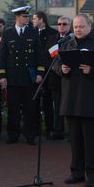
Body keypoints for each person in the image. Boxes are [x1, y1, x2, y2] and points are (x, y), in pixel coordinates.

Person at [53, 14, 94, 187]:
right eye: (76, 27)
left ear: (90, 26)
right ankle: (76, 172)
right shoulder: (66, 44)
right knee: (75, 139)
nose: (78, 30)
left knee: (92, 139)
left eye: (81, 26)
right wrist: (62, 68)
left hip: (91, 99)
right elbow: (56, 64)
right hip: (71, 98)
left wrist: (92, 69)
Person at [0, 6, 44, 145]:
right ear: (17, 18)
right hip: (13, 77)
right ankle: (13, 135)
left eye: (28, 16)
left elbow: (39, 54)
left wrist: (40, 72)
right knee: (13, 108)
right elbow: (2, 56)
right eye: (25, 16)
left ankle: (30, 135)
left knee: (30, 108)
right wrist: (2, 75)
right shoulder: (8, 33)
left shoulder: (33, 32)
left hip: (29, 77)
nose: (28, 19)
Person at [33, 10, 58, 140]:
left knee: (48, 102)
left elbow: (51, 54)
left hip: (48, 72)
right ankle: (35, 128)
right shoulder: (31, 33)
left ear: (42, 19)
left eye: (35, 18)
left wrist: (44, 69)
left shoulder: (52, 34)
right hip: (35, 72)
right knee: (35, 102)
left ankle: (49, 128)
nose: (33, 21)